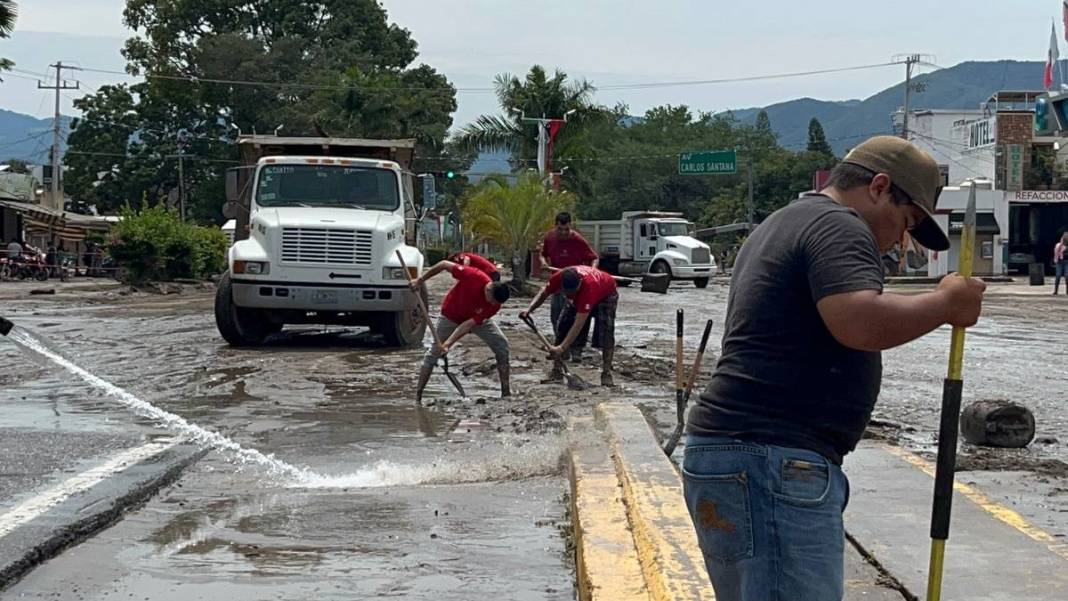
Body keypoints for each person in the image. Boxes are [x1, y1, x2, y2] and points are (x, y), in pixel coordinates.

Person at [682, 136, 986, 601]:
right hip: (773, 460)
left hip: (739, 455)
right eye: (906, 222)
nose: (899, 240)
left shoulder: (781, 223)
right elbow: (859, 321)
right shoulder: (839, 226)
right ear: (880, 187)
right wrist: (946, 303)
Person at [410, 259, 512, 403]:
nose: (493, 304)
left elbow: (468, 325)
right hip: (450, 316)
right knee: (433, 353)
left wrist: (448, 344)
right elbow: (444, 264)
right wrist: (420, 281)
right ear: (488, 289)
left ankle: (506, 393)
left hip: (473, 320)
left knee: (502, 345)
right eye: (492, 300)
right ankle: (418, 396)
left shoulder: (495, 305)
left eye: (496, 303)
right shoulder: (473, 275)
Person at [520, 265, 618, 387]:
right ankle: (556, 372)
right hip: (584, 294)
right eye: (566, 292)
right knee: (563, 326)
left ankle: (606, 373)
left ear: (580, 283)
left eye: (572, 292)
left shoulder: (589, 288)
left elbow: (579, 323)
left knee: (606, 332)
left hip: (606, 295)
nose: (569, 294)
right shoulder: (559, 277)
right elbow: (543, 293)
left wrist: (562, 347)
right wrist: (529, 310)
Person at [539, 211, 599, 357]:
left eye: (567, 229)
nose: (564, 233)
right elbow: (542, 254)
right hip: (558, 284)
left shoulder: (577, 239)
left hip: (576, 285)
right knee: (556, 317)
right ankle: (561, 348)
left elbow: (594, 258)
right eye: (561, 229)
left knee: (578, 319)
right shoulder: (550, 237)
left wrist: (592, 271)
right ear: (555, 227)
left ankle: (576, 349)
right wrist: (543, 262)